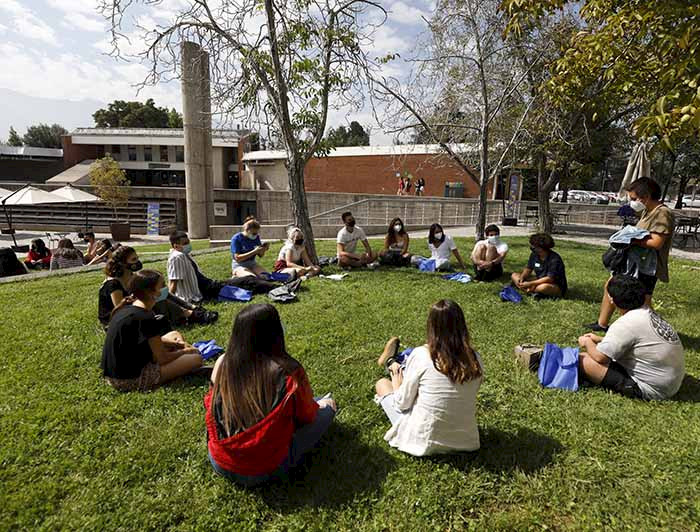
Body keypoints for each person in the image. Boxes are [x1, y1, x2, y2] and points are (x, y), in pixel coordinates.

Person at [206, 304, 337, 486]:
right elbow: (306, 416)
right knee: (328, 405)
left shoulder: (222, 362)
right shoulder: (288, 371)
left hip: (220, 460)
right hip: (264, 468)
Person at [373, 299, 483, 456]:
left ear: (431, 327)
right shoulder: (476, 359)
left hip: (423, 440)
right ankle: (393, 361)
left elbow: (402, 404)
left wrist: (397, 380)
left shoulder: (421, 355)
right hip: (466, 441)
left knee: (383, 384)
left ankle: (391, 363)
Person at [585, 178, 675, 332]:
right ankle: (602, 323)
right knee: (611, 286)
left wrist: (631, 240)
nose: (632, 202)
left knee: (642, 303)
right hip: (634, 263)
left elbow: (656, 242)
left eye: (633, 198)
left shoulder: (662, 213)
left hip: (646, 267)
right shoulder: (648, 211)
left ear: (645, 196)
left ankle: (653, 331)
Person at [577, 275, 684, 400]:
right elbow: (636, 342)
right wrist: (600, 339)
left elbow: (601, 358)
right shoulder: (648, 314)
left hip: (653, 390)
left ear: (611, 299)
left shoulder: (625, 323)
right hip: (671, 383)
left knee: (582, 359)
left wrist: (587, 342)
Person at [101, 269, 205, 392]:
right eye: (162, 286)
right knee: (195, 359)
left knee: (174, 334)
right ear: (151, 292)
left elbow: (151, 340)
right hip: (129, 379)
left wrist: (178, 344)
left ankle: (179, 358)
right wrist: (186, 351)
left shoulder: (128, 308)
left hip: (117, 373)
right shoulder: (144, 317)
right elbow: (162, 358)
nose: (165, 289)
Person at [98, 245, 210, 330]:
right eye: (133, 260)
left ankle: (192, 308)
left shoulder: (132, 276)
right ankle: (189, 315)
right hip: (114, 320)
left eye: (137, 258)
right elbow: (120, 309)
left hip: (132, 309)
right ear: (122, 263)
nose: (137, 262)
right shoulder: (113, 284)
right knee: (157, 300)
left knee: (162, 293)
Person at [169, 230, 277, 304]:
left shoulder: (183, 255)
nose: (188, 244)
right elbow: (173, 281)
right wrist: (170, 300)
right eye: (185, 243)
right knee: (247, 282)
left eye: (188, 242)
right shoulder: (177, 257)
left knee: (245, 282)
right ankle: (276, 288)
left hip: (209, 285)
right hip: (207, 290)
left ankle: (274, 287)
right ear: (176, 246)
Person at [511, 233, 567, 298]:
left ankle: (529, 289)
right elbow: (528, 269)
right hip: (538, 279)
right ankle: (529, 290)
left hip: (553, 284)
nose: (531, 247)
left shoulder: (554, 259)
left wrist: (530, 283)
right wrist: (522, 278)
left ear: (541, 248)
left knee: (543, 287)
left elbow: (550, 279)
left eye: (533, 246)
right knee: (514, 275)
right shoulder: (534, 255)